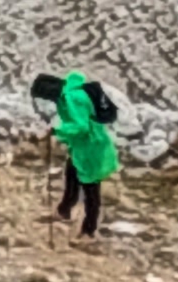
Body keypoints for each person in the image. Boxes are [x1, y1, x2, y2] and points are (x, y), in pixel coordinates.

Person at [37, 72, 120, 242]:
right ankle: (64, 210)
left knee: (90, 189)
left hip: (90, 147)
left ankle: (89, 230)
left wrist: (58, 131)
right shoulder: (72, 92)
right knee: (72, 176)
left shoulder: (72, 97)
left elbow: (81, 126)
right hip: (82, 146)